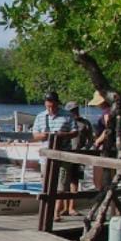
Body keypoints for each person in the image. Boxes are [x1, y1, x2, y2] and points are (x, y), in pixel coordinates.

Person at [32, 91, 77, 220]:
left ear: (57, 103)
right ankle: (47, 211)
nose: (50, 107)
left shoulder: (67, 115)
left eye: (52, 104)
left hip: (63, 154)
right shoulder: (40, 117)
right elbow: (35, 135)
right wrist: (43, 135)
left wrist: (63, 135)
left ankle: (56, 212)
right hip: (45, 155)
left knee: (61, 185)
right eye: (48, 104)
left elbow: (75, 132)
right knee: (46, 183)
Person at [63, 101, 94, 215]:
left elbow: (90, 139)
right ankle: (64, 208)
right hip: (66, 154)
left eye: (75, 109)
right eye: (72, 110)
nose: (74, 112)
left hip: (79, 155)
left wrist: (85, 149)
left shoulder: (85, 123)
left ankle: (72, 207)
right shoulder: (65, 122)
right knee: (64, 181)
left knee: (75, 181)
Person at [89, 90, 114, 189]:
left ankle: (106, 202)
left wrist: (97, 141)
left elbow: (108, 129)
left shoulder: (107, 113)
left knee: (99, 181)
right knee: (107, 180)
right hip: (110, 147)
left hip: (104, 148)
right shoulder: (112, 111)